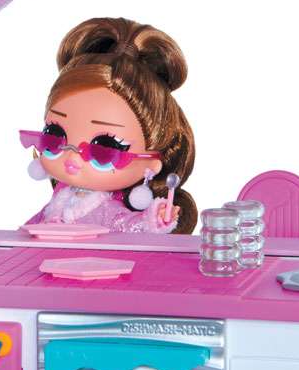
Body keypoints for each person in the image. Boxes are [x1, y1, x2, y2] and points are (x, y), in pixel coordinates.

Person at [22, 16, 197, 234]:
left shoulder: (105, 210)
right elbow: (30, 228)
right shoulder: (60, 199)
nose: (72, 156)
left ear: (151, 164)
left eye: (105, 148)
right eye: (54, 136)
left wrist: (154, 221)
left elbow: (130, 225)